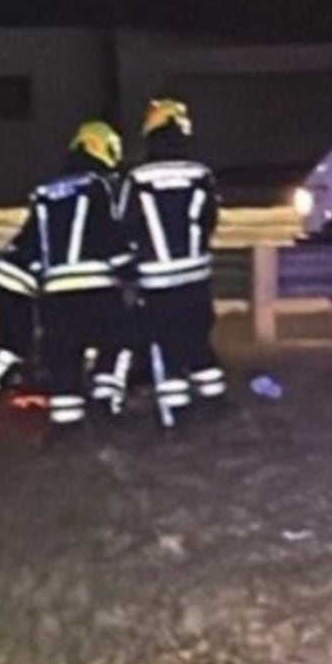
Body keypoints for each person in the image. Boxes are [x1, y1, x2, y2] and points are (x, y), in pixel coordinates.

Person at [0, 120, 135, 431]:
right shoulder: (103, 186)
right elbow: (110, 233)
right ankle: (108, 409)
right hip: (93, 286)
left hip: (53, 292)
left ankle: (65, 430)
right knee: (120, 340)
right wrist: (130, 268)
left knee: (62, 359)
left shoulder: (44, 192)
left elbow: (36, 241)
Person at [121, 98, 222, 423]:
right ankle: (214, 402)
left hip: (155, 280)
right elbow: (209, 221)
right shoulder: (201, 175)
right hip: (195, 278)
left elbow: (126, 224)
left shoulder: (137, 179)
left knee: (165, 345)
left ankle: (174, 415)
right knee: (198, 340)